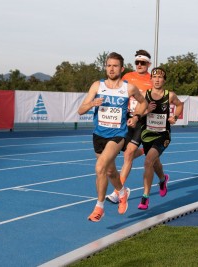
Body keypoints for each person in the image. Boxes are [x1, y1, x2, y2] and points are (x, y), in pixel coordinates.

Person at [78, 52, 147, 222]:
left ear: (121, 68)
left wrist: (136, 116)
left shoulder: (128, 88)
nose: (111, 68)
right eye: (108, 65)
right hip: (99, 134)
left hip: (117, 134)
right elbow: (80, 110)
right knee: (109, 171)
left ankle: (99, 208)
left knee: (100, 167)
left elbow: (143, 102)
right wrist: (92, 104)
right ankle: (123, 192)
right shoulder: (97, 86)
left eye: (115, 66)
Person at [105, 49, 152, 204]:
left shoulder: (153, 80)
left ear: (148, 64)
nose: (139, 65)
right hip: (125, 118)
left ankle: (118, 191)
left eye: (143, 63)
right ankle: (146, 150)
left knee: (128, 154)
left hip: (142, 120)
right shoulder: (127, 77)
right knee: (124, 152)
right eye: (137, 62)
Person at [138, 67, 183, 210]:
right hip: (147, 133)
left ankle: (145, 197)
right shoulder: (144, 94)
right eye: (154, 77)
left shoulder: (169, 95)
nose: (157, 80)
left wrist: (174, 116)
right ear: (150, 79)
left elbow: (180, 104)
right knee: (154, 162)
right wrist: (147, 111)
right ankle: (163, 179)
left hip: (163, 134)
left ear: (164, 80)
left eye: (160, 77)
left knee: (148, 161)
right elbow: (137, 113)